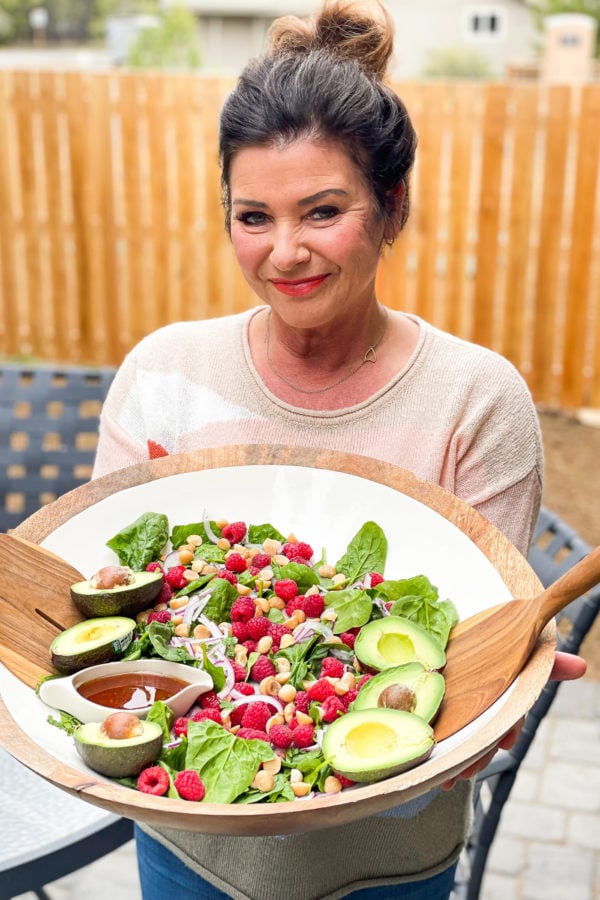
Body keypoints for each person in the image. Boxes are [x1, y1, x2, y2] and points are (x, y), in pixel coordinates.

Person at [92, 2, 586, 897]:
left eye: (323, 211)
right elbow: (109, 631)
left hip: (386, 870)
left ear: (391, 204)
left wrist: (490, 700)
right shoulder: (162, 375)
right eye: (253, 216)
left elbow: (468, 699)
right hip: (183, 850)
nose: (285, 253)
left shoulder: (476, 401)